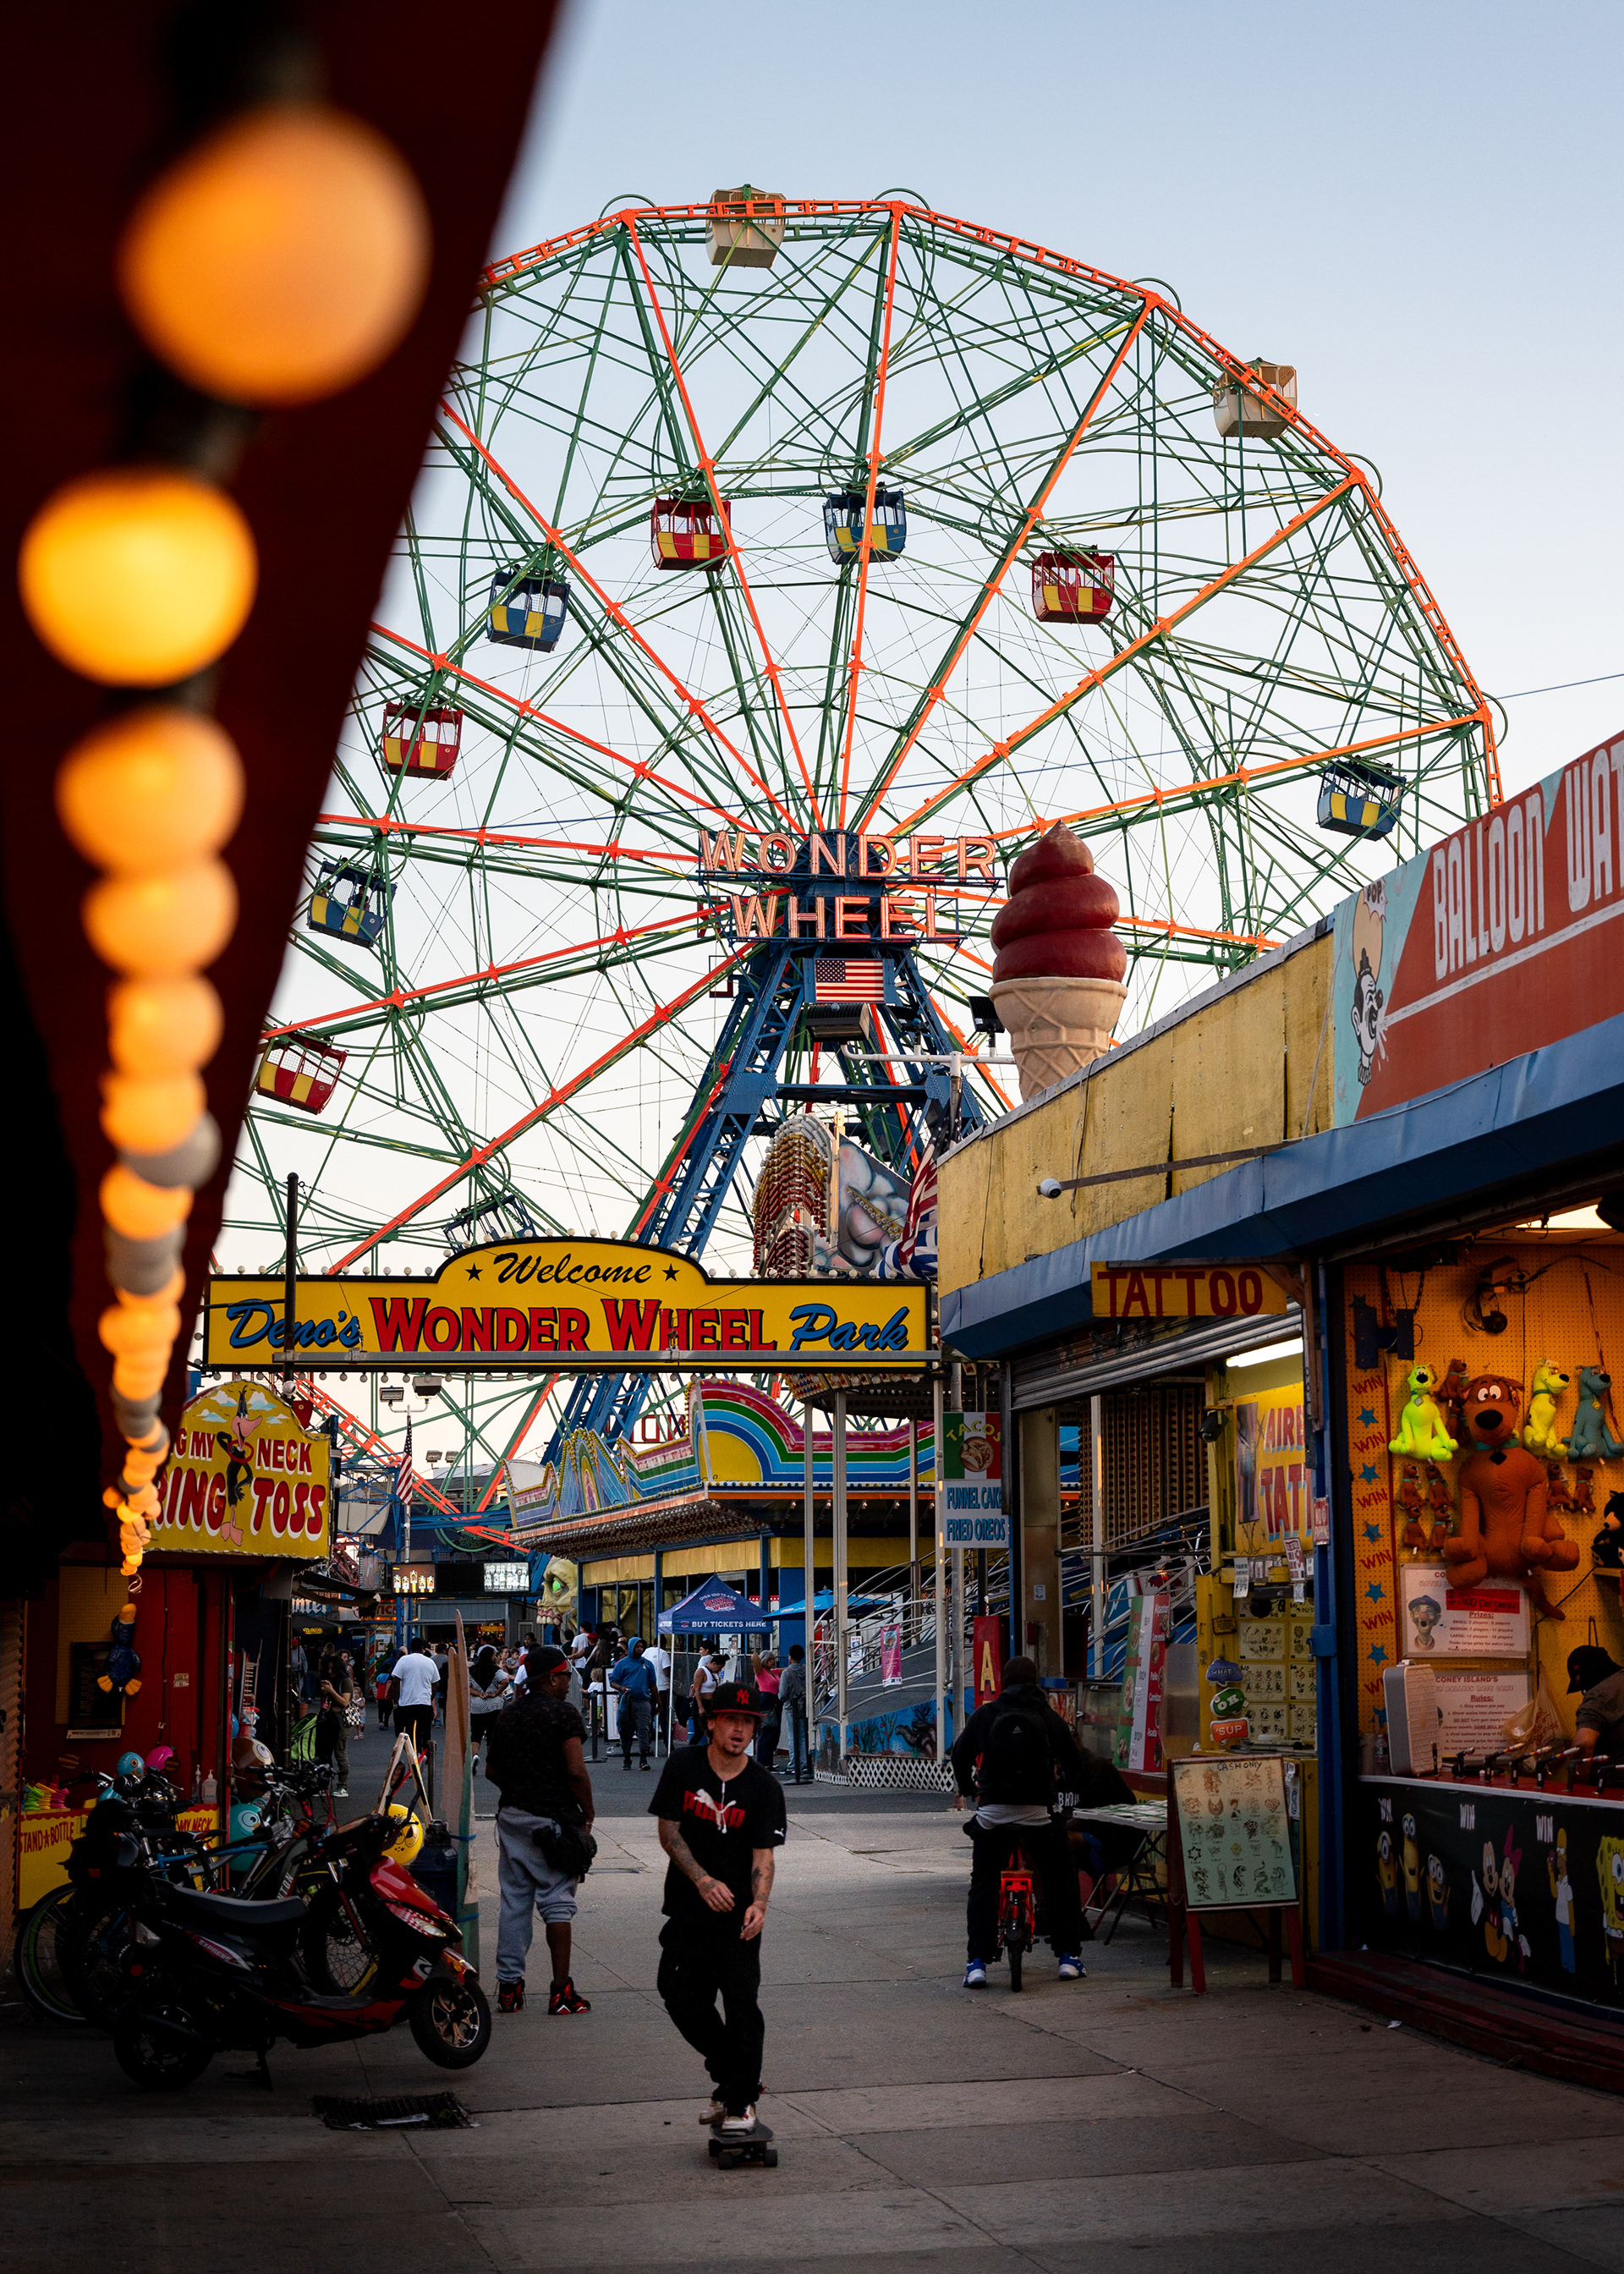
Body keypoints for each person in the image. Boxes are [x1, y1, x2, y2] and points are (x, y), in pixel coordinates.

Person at [650, 1679, 786, 2136]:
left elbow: (764, 1855)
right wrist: (703, 1880)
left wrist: (760, 1905)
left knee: (742, 2004)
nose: (739, 1729)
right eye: (730, 1719)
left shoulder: (764, 1787)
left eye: (747, 1722)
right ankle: (732, 2079)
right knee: (679, 1995)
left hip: (738, 1918)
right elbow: (669, 1831)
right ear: (711, 1723)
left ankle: (740, 2102)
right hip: (688, 1908)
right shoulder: (683, 1766)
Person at [949, 1656, 1100, 1987]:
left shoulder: (985, 1715)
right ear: (1035, 1681)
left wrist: (970, 1788)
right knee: (1062, 1879)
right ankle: (1068, 1958)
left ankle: (976, 1964)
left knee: (983, 1884)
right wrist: (1059, 1787)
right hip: (1038, 1816)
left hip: (993, 1816)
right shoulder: (1049, 1717)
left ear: (1003, 1682)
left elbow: (959, 1755)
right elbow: (1075, 1764)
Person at [483, 1645, 595, 2016]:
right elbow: (576, 1771)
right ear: (552, 1678)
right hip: (554, 1820)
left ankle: (509, 1989)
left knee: (515, 1901)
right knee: (557, 1900)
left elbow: (492, 1771)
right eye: (565, 1676)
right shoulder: (563, 1714)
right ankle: (561, 1991)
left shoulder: (509, 1713)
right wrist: (588, 1811)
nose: (568, 1682)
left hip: (512, 1816)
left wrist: (520, 1791)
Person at [610, 1637, 659, 1771]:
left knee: (644, 1730)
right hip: (627, 1702)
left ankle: (643, 1760)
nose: (640, 1649)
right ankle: (626, 1759)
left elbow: (653, 1685)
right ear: (631, 1648)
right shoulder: (622, 1664)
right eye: (637, 1647)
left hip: (643, 1701)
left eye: (642, 1647)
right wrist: (621, 1688)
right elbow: (613, 1681)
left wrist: (658, 1703)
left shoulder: (647, 1664)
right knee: (626, 1730)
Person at [314, 1643, 354, 1796]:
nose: (330, 1672)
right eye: (328, 1669)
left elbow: (344, 1702)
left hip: (341, 1719)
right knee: (323, 1752)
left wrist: (331, 1690)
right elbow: (324, 1701)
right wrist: (324, 1693)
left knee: (340, 1752)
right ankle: (323, 1784)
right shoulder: (326, 1680)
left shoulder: (345, 1681)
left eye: (333, 1669)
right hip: (328, 1716)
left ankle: (343, 1785)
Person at [1570, 1643, 1624, 1757]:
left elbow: (1583, 1746)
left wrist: (1576, 1767)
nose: (1582, 1692)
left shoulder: (1597, 1697)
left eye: (1582, 1688)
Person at [387, 1637, 437, 1757]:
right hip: (424, 1703)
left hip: (407, 1703)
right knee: (424, 1731)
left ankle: (415, 1754)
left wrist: (396, 1701)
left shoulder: (404, 1660)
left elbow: (396, 1681)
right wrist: (430, 1698)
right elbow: (436, 1683)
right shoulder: (430, 1662)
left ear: (410, 1647)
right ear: (423, 1648)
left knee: (404, 1733)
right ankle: (424, 1754)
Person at [469, 1643, 510, 1772]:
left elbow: (466, 1686)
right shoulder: (495, 1670)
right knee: (492, 1735)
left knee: (476, 1734)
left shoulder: (472, 1670)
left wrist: (478, 1693)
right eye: (494, 1655)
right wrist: (496, 1693)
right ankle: (491, 1763)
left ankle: (474, 1756)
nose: (495, 1657)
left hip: (476, 1706)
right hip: (494, 1705)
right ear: (490, 1656)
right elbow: (505, 1681)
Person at [777, 1644, 809, 1783]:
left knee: (793, 1736)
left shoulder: (787, 1673)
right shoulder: (807, 1670)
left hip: (791, 1707)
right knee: (803, 1735)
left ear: (790, 1657)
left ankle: (793, 1764)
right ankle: (805, 1763)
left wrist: (780, 1697)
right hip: (805, 1706)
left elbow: (783, 1693)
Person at [643, 1634, 672, 1754]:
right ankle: (668, 1745)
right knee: (665, 1719)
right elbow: (667, 1671)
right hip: (662, 1688)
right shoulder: (663, 1653)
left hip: (648, 1689)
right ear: (664, 1644)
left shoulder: (645, 1652)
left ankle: (646, 1745)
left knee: (648, 1718)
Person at [689, 1648, 725, 1744]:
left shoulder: (714, 1674)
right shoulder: (701, 1671)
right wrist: (700, 1707)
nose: (719, 1670)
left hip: (711, 1704)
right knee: (699, 1732)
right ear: (714, 1664)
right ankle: (691, 1748)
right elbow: (697, 1689)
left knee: (712, 1730)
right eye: (719, 1668)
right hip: (702, 1703)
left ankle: (711, 1749)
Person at [754, 1653, 782, 1771]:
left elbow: (787, 1669)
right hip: (766, 1700)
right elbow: (755, 1660)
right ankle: (762, 1761)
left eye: (773, 1659)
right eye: (769, 1659)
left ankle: (769, 1760)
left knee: (775, 1732)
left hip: (775, 1700)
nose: (772, 1662)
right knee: (766, 1730)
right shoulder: (760, 1672)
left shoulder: (774, 1672)